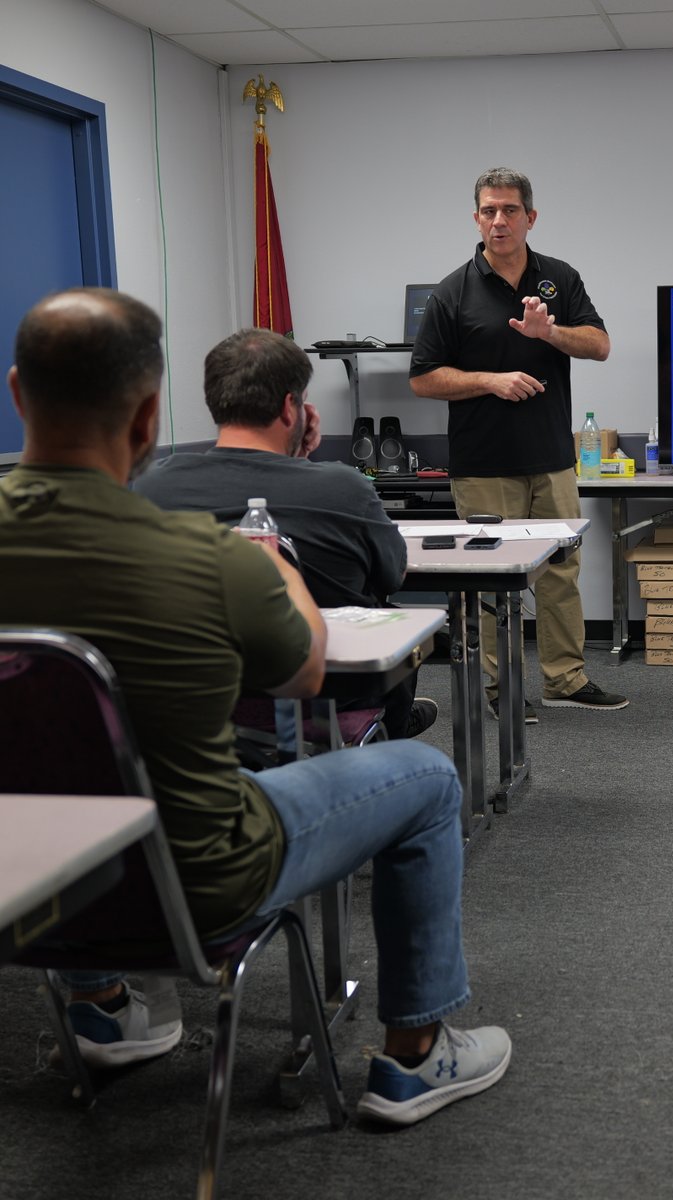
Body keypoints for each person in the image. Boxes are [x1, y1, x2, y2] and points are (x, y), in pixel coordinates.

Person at [0, 288, 510, 1125]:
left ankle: (99, 1003)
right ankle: (418, 1056)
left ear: (18, 393)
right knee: (425, 774)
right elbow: (303, 674)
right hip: (199, 878)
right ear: (148, 414)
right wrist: (277, 569)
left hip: (34, 880)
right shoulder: (211, 559)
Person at [134, 327, 436, 741]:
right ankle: (394, 734)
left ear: (215, 402)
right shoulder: (342, 488)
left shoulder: (151, 488)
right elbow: (392, 575)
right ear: (291, 408)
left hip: (195, 698)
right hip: (325, 698)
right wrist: (302, 460)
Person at [409, 167, 628, 720]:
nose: (499, 221)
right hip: (483, 465)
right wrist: (488, 379)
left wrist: (547, 333)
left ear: (531, 218)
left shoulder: (559, 278)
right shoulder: (451, 292)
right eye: (488, 210)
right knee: (489, 584)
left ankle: (565, 679)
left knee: (561, 574)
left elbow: (599, 345)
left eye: (509, 210)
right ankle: (494, 690)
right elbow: (423, 377)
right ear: (477, 218)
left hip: (552, 459)